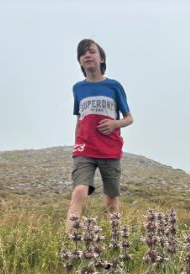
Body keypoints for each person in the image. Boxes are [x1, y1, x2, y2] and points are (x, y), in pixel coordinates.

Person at [66, 38, 134, 230]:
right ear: (80, 61)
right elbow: (80, 119)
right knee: (79, 191)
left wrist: (115, 123)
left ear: (102, 58)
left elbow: (129, 118)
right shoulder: (78, 89)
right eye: (82, 53)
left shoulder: (114, 86)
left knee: (111, 201)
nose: (87, 55)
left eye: (92, 51)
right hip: (84, 149)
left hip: (110, 150)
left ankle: (117, 240)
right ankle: (69, 242)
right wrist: (76, 146)